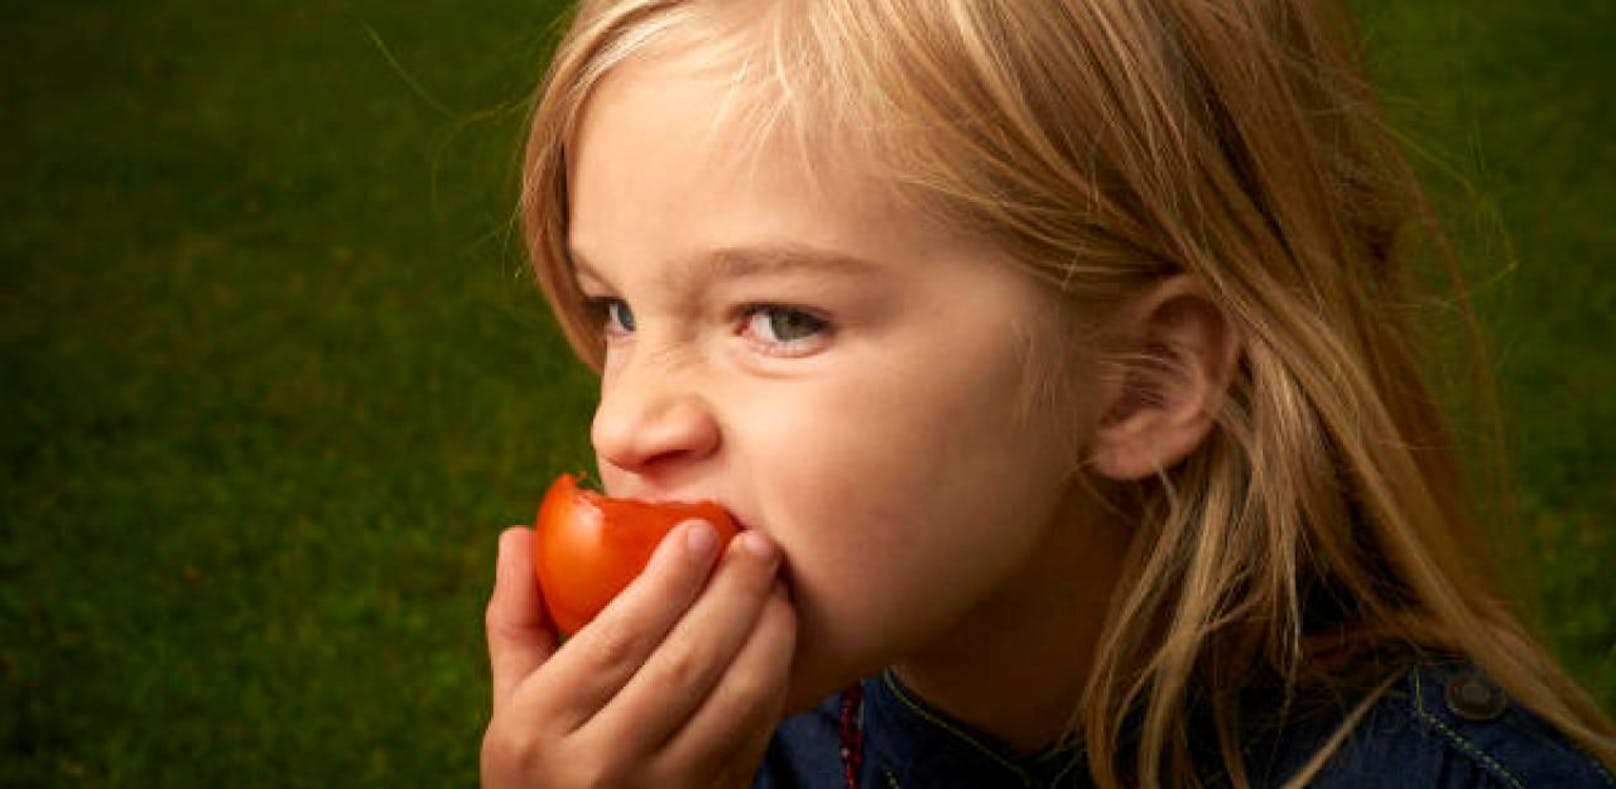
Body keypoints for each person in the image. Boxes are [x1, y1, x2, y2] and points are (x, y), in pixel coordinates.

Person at [479, 0, 1616, 785]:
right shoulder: (717, 748)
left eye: (782, 320)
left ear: (1143, 382)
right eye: (617, 311)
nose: (625, 425)